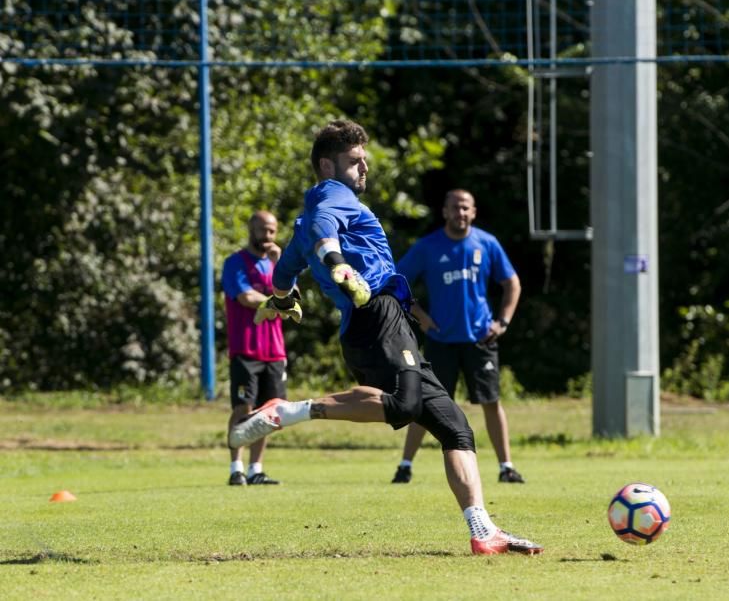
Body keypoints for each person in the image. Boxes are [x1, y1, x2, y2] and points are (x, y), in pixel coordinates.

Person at [229, 119, 543, 555]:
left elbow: (284, 276)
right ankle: (293, 409)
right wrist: (337, 263)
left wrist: (281, 299)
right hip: (375, 317)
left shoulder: (303, 222)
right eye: (355, 161)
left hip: (384, 323)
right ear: (327, 165)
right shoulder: (329, 197)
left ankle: (483, 529)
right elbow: (324, 229)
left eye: (364, 161)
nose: (364, 169)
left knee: (455, 428)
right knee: (405, 405)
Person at [391, 189, 524, 485]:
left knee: (490, 401)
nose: (460, 213)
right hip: (441, 341)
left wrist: (502, 322)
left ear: (473, 212)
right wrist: (421, 318)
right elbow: (397, 284)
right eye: (455, 208)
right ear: (445, 212)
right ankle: (405, 466)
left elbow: (512, 284)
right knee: (426, 404)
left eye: (465, 208)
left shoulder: (487, 244)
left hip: (480, 339)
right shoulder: (428, 246)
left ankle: (506, 467)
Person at [221, 210, 288, 486]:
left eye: (272, 231)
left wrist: (280, 266)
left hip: (274, 350)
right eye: (262, 230)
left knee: (268, 411)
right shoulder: (235, 263)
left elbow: (290, 300)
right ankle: (236, 468)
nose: (267, 236)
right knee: (243, 407)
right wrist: (276, 303)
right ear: (252, 229)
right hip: (246, 348)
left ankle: (255, 469)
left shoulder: (277, 265)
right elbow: (246, 296)